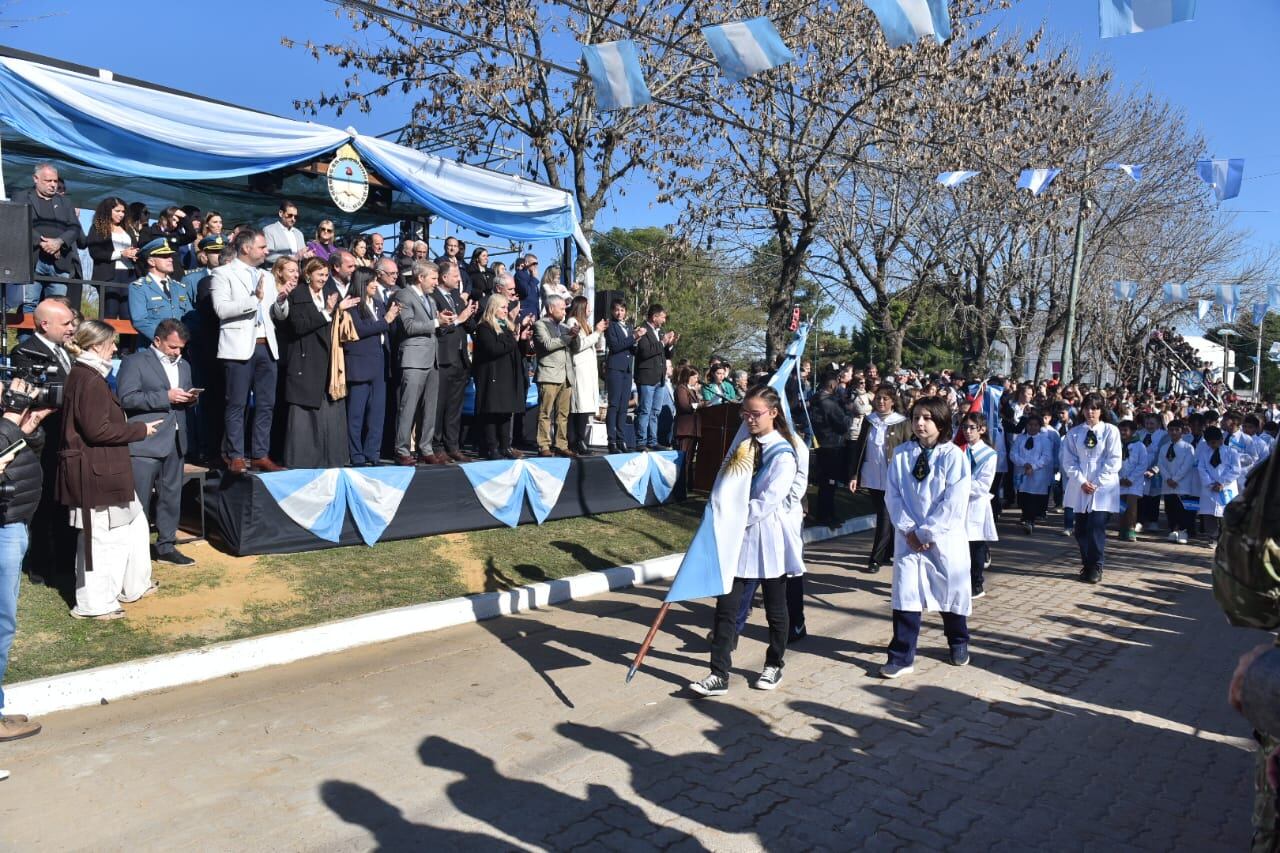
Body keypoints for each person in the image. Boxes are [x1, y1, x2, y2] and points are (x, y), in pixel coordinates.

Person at [689, 386, 802, 696]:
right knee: (726, 609)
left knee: (775, 610)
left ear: (774, 413)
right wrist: (716, 510)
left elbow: (768, 500)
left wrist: (732, 519)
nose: (749, 419)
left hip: (766, 538)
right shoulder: (743, 446)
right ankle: (718, 673)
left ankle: (774, 663)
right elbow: (726, 485)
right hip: (735, 541)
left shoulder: (783, 454)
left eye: (756, 414)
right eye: (745, 414)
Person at [57, 320, 164, 619]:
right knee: (99, 539)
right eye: (111, 343)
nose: (116, 348)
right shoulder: (88, 378)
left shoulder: (90, 375)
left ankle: (133, 585)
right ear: (95, 345)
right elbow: (96, 430)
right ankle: (93, 604)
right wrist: (139, 430)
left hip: (107, 469)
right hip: (94, 472)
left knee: (134, 524)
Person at [881, 396, 972, 679]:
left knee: (949, 593)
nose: (920, 423)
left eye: (927, 418)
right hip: (908, 539)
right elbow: (892, 494)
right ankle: (901, 655)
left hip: (943, 538)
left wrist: (927, 532)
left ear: (941, 422)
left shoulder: (953, 456)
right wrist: (909, 530)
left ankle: (958, 641)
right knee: (906, 595)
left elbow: (954, 502)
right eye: (916, 417)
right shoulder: (902, 454)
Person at [0, 379, 56, 744]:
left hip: (11, 521)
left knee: (4, 624)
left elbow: (18, 455)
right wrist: (8, 419)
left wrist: (27, 431)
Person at [117, 319, 197, 565]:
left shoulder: (184, 365)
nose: (177, 352)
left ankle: (166, 546)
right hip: (145, 441)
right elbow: (127, 398)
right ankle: (133, 551)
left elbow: (184, 395)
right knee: (138, 499)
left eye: (181, 348)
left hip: (176, 438)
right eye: (173, 347)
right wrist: (166, 397)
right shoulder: (135, 362)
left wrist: (191, 398)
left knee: (171, 496)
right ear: (158, 340)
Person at [211, 229, 285, 474]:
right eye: (262, 247)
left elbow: (277, 314)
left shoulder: (266, 275)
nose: (267, 251)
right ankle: (236, 455)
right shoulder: (223, 273)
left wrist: (282, 302)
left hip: (267, 346)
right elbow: (221, 309)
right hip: (239, 348)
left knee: (266, 404)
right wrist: (254, 300)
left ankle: (260, 454)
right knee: (237, 404)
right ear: (246, 248)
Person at [283, 259, 358, 468]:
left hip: (326, 361)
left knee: (329, 411)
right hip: (305, 361)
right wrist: (327, 312)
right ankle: (303, 460)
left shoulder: (327, 294)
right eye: (320, 275)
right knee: (304, 413)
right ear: (308, 274)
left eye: (326, 275)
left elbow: (330, 324)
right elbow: (299, 326)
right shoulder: (298, 294)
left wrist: (338, 310)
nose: (323, 279)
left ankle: (331, 458)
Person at [1061, 392, 1123, 585]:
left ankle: (1096, 565)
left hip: (1103, 487)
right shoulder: (1075, 432)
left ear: (1101, 410)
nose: (1091, 412)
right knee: (1080, 529)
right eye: (1087, 408)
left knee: (1096, 527)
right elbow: (1068, 460)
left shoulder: (1110, 431)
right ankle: (1086, 564)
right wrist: (1081, 481)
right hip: (1081, 485)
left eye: (1095, 408)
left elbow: (1114, 460)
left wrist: (1097, 482)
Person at [848, 384, 911, 574]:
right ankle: (887, 552)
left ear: (893, 401)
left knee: (884, 516)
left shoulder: (901, 422)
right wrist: (854, 474)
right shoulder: (870, 420)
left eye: (885, 399)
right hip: (872, 475)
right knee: (884, 514)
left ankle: (875, 558)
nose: (881, 402)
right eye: (878, 399)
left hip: (894, 476)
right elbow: (859, 448)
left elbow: (909, 449)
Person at [8, 162, 83, 315]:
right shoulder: (21, 196)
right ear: (36, 179)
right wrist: (42, 243)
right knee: (29, 304)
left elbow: (75, 228)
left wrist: (59, 242)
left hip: (59, 262)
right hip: (33, 260)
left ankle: (52, 339)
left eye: (55, 181)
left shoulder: (65, 202)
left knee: (58, 307)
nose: (53, 185)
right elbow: (18, 221)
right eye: (48, 181)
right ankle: (27, 340)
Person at [342, 266, 398, 466]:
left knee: (377, 413)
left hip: (379, 362)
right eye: (372, 281)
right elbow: (359, 330)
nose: (375, 284)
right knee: (356, 413)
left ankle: (372, 453)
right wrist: (386, 320)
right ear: (362, 283)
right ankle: (356, 455)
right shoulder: (352, 304)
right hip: (360, 363)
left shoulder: (378, 303)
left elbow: (386, 328)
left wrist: (390, 319)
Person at [392, 262, 444, 466]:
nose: (436, 282)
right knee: (408, 407)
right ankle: (402, 449)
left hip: (432, 359)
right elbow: (408, 326)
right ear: (420, 278)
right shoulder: (404, 295)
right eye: (433, 278)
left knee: (429, 408)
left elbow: (433, 325)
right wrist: (437, 323)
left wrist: (446, 321)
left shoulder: (430, 299)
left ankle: (426, 448)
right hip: (414, 359)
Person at [472, 294, 532, 460]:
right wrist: (514, 340)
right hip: (492, 375)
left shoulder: (508, 327)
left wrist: (522, 340)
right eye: (502, 307)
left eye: (507, 307)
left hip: (507, 374)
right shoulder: (484, 327)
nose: (506, 311)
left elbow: (515, 349)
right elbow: (494, 349)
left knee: (506, 411)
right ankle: (492, 447)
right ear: (493, 308)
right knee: (492, 412)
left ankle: (505, 446)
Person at [432, 261, 477, 461]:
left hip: (460, 359)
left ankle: (453, 446)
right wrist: (460, 318)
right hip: (443, 358)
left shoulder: (457, 298)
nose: (459, 279)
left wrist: (469, 314)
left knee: (454, 407)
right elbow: (440, 328)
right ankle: (436, 446)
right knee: (439, 406)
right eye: (455, 275)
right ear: (444, 277)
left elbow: (468, 326)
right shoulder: (433, 298)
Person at [533, 295, 582, 458]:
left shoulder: (564, 326)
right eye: (561, 308)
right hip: (549, 374)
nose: (564, 311)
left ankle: (561, 444)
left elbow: (575, 348)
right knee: (545, 413)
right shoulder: (540, 325)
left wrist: (575, 335)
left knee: (563, 414)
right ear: (551, 308)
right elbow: (548, 344)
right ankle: (544, 445)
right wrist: (568, 337)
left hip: (566, 375)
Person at [959, 412, 998, 599]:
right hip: (957, 505)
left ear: (981, 429)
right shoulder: (958, 450)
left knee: (975, 545)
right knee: (959, 546)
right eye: (964, 427)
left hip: (976, 504)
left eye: (971, 428)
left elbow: (983, 485)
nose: (967, 431)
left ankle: (976, 583)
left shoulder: (989, 455)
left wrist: (959, 487)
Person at [127, 238, 195, 344]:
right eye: (164, 256)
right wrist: (166, 340)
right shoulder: (139, 287)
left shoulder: (179, 287)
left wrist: (184, 339)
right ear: (151, 261)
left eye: (170, 255)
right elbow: (140, 321)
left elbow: (190, 317)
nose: (170, 259)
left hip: (180, 350)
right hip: (152, 350)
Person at [808, 368, 852, 528]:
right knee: (829, 483)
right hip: (831, 444)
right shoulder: (829, 404)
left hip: (820, 444)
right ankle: (826, 514)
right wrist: (849, 413)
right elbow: (842, 425)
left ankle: (827, 513)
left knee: (826, 482)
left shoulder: (814, 399)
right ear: (833, 384)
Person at [85, 195, 139, 320]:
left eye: (123, 211)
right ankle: (107, 340)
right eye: (117, 211)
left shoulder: (128, 229)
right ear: (107, 210)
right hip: (109, 276)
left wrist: (135, 255)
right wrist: (121, 254)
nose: (121, 214)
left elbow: (135, 247)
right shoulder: (97, 228)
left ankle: (128, 340)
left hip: (129, 275)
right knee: (109, 313)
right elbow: (95, 252)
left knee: (128, 315)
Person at [565, 296, 607, 456]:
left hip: (588, 369)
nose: (590, 309)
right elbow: (579, 345)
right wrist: (596, 332)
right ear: (582, 307)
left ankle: (580, 439)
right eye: (588, 306)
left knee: (585, 407)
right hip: (579, 369)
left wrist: (599, 333)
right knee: (579, 406)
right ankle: (575, 440)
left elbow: (596, 345)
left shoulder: (586, 324)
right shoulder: (572, 323)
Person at [633, 304, 678, 452]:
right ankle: (641, 441)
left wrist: (670, 345)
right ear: (654, 317)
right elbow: (645, 352)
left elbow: (667, 355)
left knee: (655, 411)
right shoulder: (643, 330)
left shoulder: (660, 333)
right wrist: (662, 342)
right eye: (663, 317)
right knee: (645, 409)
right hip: (647, 377)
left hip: (660, 378)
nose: (664, 321)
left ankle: (653, 440)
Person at [603, 299, 640, 453]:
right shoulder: (610, 326)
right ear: (612, 311)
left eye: (622, 310)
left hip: (626, 370)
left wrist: (637, 340)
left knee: (624, 406)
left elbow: (632, 350)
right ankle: (611, 441)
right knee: (614, 405)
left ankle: (621, 439)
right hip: (615, 368)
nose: (620, 313)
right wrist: (633, 338)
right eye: (617, 310)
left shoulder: (629, 327)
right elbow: (616, 346)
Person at [1010, 407, 1054, 535]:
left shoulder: (1044, 440)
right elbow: (1013, 454)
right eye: (1030, 425)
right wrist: (1024, 464)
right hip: (1022, 472)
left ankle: (1030, 521)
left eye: (1035, 425)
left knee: (1034, 498)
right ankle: (1025, 517)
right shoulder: (1020, 439)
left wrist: (1033, 466)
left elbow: (1046, 457)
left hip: (1037, 474)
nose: (1032, 427)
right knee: (1023, 496)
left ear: (1039, 426)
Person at [1196, 426, 1241, 542]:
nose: (1213, 445)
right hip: (1210, 488)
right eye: (1210, 443)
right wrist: (1210, 484)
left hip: (1226, 488)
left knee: (1225, 514)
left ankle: (1225, 538)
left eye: (1215, 442)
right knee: (1209, 514)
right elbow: (1201, 468)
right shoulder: (1205, 453)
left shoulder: (1232, 452)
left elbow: (1235, 470)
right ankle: (1213, 536)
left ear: (1221, 439)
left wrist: (1222, 483)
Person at [1157, 419, 1196, 545]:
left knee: (1182, 509)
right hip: (1168, 483)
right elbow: (1161, 464)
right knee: (1170, 508)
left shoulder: (1187, 447)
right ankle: (1173, 529)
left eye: (1177, 430)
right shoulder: (1164, 447)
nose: (1173, 432)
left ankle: (1183, 531)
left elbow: (1187, 465)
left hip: (1182, 484)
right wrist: (1167, 478)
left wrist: (1175, 479)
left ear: (1182, 431)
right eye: (1171, 430)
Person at [1116, 420, 1148, 543]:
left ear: (1133, 431)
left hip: (1134, 482)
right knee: (1121, 506)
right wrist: (1119, 478)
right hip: (1120, 481)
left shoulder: (1140, 446)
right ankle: (1122, 528)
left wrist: (1130, 479)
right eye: (1121, 430)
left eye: (1126, 430)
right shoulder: (1116, 444)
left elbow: (1142, 464)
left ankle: (1131, 529)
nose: (1123, 433)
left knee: (1131, 506)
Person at [673, 366, 701, 477]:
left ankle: (686, 485)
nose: (696, 380)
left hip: (693, 430)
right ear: (688, 376)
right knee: (683, 459)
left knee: (689, 460)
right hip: (685, 429)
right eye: (694, 377)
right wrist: (700, 405)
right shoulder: (681, 388)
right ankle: (679, 485)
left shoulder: (692, 390)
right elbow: (684, 406)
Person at [264, 200, 310, 265]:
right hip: (276, 272)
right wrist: (291, 258)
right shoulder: (269, 230)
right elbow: (267, 255)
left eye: (295, 217)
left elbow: (302, 256)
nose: (293, 219)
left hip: (296, 273)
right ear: (281, 213)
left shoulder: (299, 233)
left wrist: (307, 255)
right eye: (290, 215)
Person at [514, 253, 541, 320]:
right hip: (525, 314)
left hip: (535, 315)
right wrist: (534, 279)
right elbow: (526, 291)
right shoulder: (520, 274)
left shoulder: (531, 277)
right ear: (526, 263)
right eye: (534, 263)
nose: (536, 266)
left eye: (537, 264)